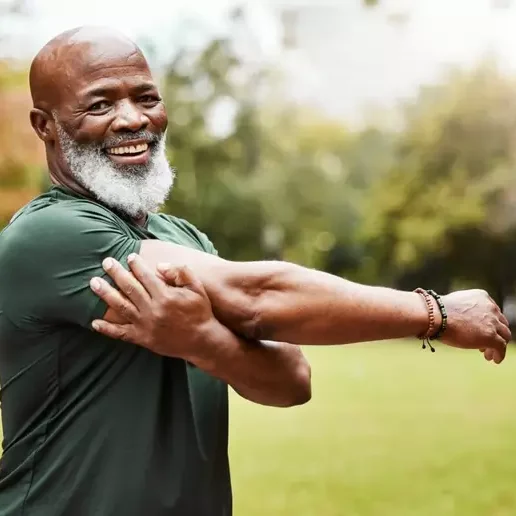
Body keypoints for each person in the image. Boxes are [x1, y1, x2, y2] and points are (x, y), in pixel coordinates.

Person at [0, 25, 509, 516]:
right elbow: (257, 297)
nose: (133, 119)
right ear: (45, 125)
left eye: (147, 98)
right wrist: (435, 312)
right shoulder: (50, 235)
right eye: (101, 103)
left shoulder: (184, 240)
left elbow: (291, 380)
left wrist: (202, 339)